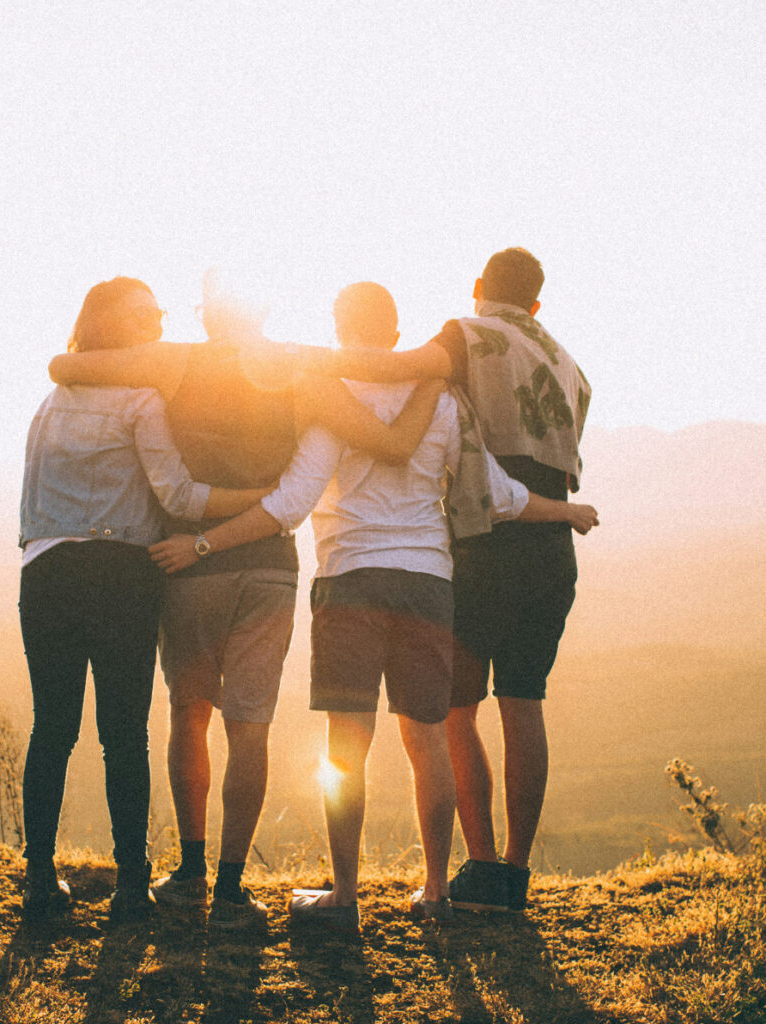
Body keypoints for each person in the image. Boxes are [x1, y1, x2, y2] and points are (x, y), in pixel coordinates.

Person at [149, 280, 598, 931]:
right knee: (427, 742)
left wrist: (204, 541)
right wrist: (567, 511)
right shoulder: (443, 401)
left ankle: (345, 896)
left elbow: (291, 503)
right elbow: (496, 494)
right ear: (394, 335)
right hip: (428, 584)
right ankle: (438, 892)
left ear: (339, 329)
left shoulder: (330, 398)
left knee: (346, 747)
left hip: (350, 582)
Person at [47, 270, 442, 930]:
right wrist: (435, 374)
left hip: (186, 563)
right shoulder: (300, 369)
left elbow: (68, 365)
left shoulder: (173, 363)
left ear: (207, 316)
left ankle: (190, 870)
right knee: (249, 726)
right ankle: (231, 889)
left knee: (189, 712)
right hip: (267, 568)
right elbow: (388, 438)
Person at [297, 249, 594, 913]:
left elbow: (395, 369)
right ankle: (512, 877)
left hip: (483, 540)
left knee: (451, 712)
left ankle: (478, 869)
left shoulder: (466, 336)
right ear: (537, 304)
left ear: (480, 288)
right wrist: (569, 512)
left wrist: (300, 362)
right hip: (548, 541)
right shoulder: (569, 364)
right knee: (525, 703)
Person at [18, 277, 271, 922]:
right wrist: (264, 500)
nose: (160, 323)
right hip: (121, 574)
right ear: (120, 327)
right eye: (149, 315)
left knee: (52, 727)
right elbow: (180, 499)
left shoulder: (50, 403)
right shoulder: (141, 399)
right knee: (123, 734)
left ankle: (39, 881)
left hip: (45, 570)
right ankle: (132, 884)